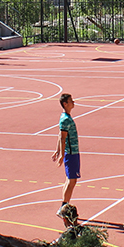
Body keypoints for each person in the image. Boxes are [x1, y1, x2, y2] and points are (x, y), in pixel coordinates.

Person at [51, 93, 80, 224]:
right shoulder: (65, 119)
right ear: (65, 104)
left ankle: (64, 206)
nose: (73, 102)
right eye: (70, 101)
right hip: (71, 153)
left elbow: (60, 136)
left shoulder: (65, 117)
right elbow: (62, 137)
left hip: (72, 152)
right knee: (72, 181)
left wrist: (57, 150)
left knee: (69, 180)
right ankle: (64, 207)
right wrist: (62, 154)